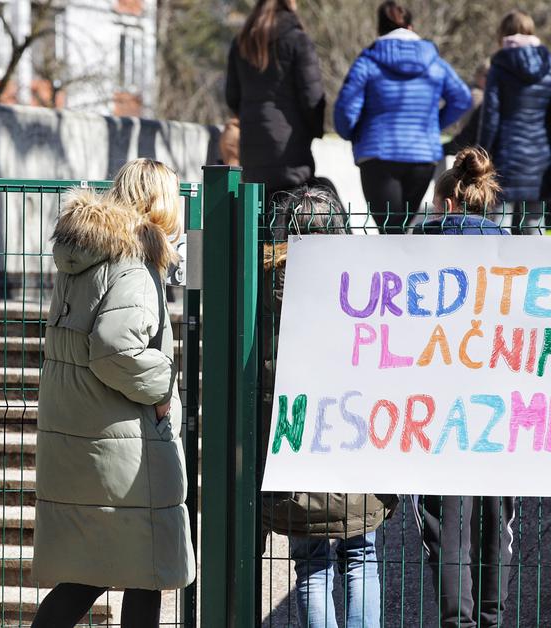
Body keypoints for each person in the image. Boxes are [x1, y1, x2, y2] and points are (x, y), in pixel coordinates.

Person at [31, 158, 195, 628]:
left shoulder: (87, 254)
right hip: (123, 442)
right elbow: (113, 349)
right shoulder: (133, 264)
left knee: (92, 573)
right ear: (159, 202)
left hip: (85, 435)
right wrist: (163, 385)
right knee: (146, 571)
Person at [261, 184, 397, 628]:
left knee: (311, 563)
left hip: (295, 455)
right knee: (362, 556)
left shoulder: (261, 297)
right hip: (358, 451)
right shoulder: (368, 291)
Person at [412, 147, 516, 628]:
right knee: (496, 518)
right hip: (500, 403)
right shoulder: (513, 251)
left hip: (437, 406)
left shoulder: (420, 247)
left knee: (447, 524)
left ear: (449, 205)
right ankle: (492, 618)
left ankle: (458, 622)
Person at [334, 1, 471, 235]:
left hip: (378, 154)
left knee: (388, 229)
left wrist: (355, 134)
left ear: (380, 29)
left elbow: (345, 110)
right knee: (402, 228)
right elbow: (462, 97)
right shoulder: (434, 61)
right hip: (421, 156)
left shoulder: (368, 60)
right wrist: (432, 125)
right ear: (411, 26)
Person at [225, 0, 326, 235]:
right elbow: (312, 97)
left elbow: (232, 97)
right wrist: (313, 130)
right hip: (290, 145)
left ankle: (259, 268)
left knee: (259, 214)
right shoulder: (297, 39)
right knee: (292, 214)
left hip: (252, 145)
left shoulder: (242, 42)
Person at [477, 9, 551, 234]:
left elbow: (490, 115)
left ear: (503, 34)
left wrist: (482, 154)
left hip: (505, 156)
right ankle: (536, 269)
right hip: (542, 159)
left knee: (499, 225)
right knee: (535, 225)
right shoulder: (550, 66)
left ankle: (496, 268)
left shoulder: (499, 67)